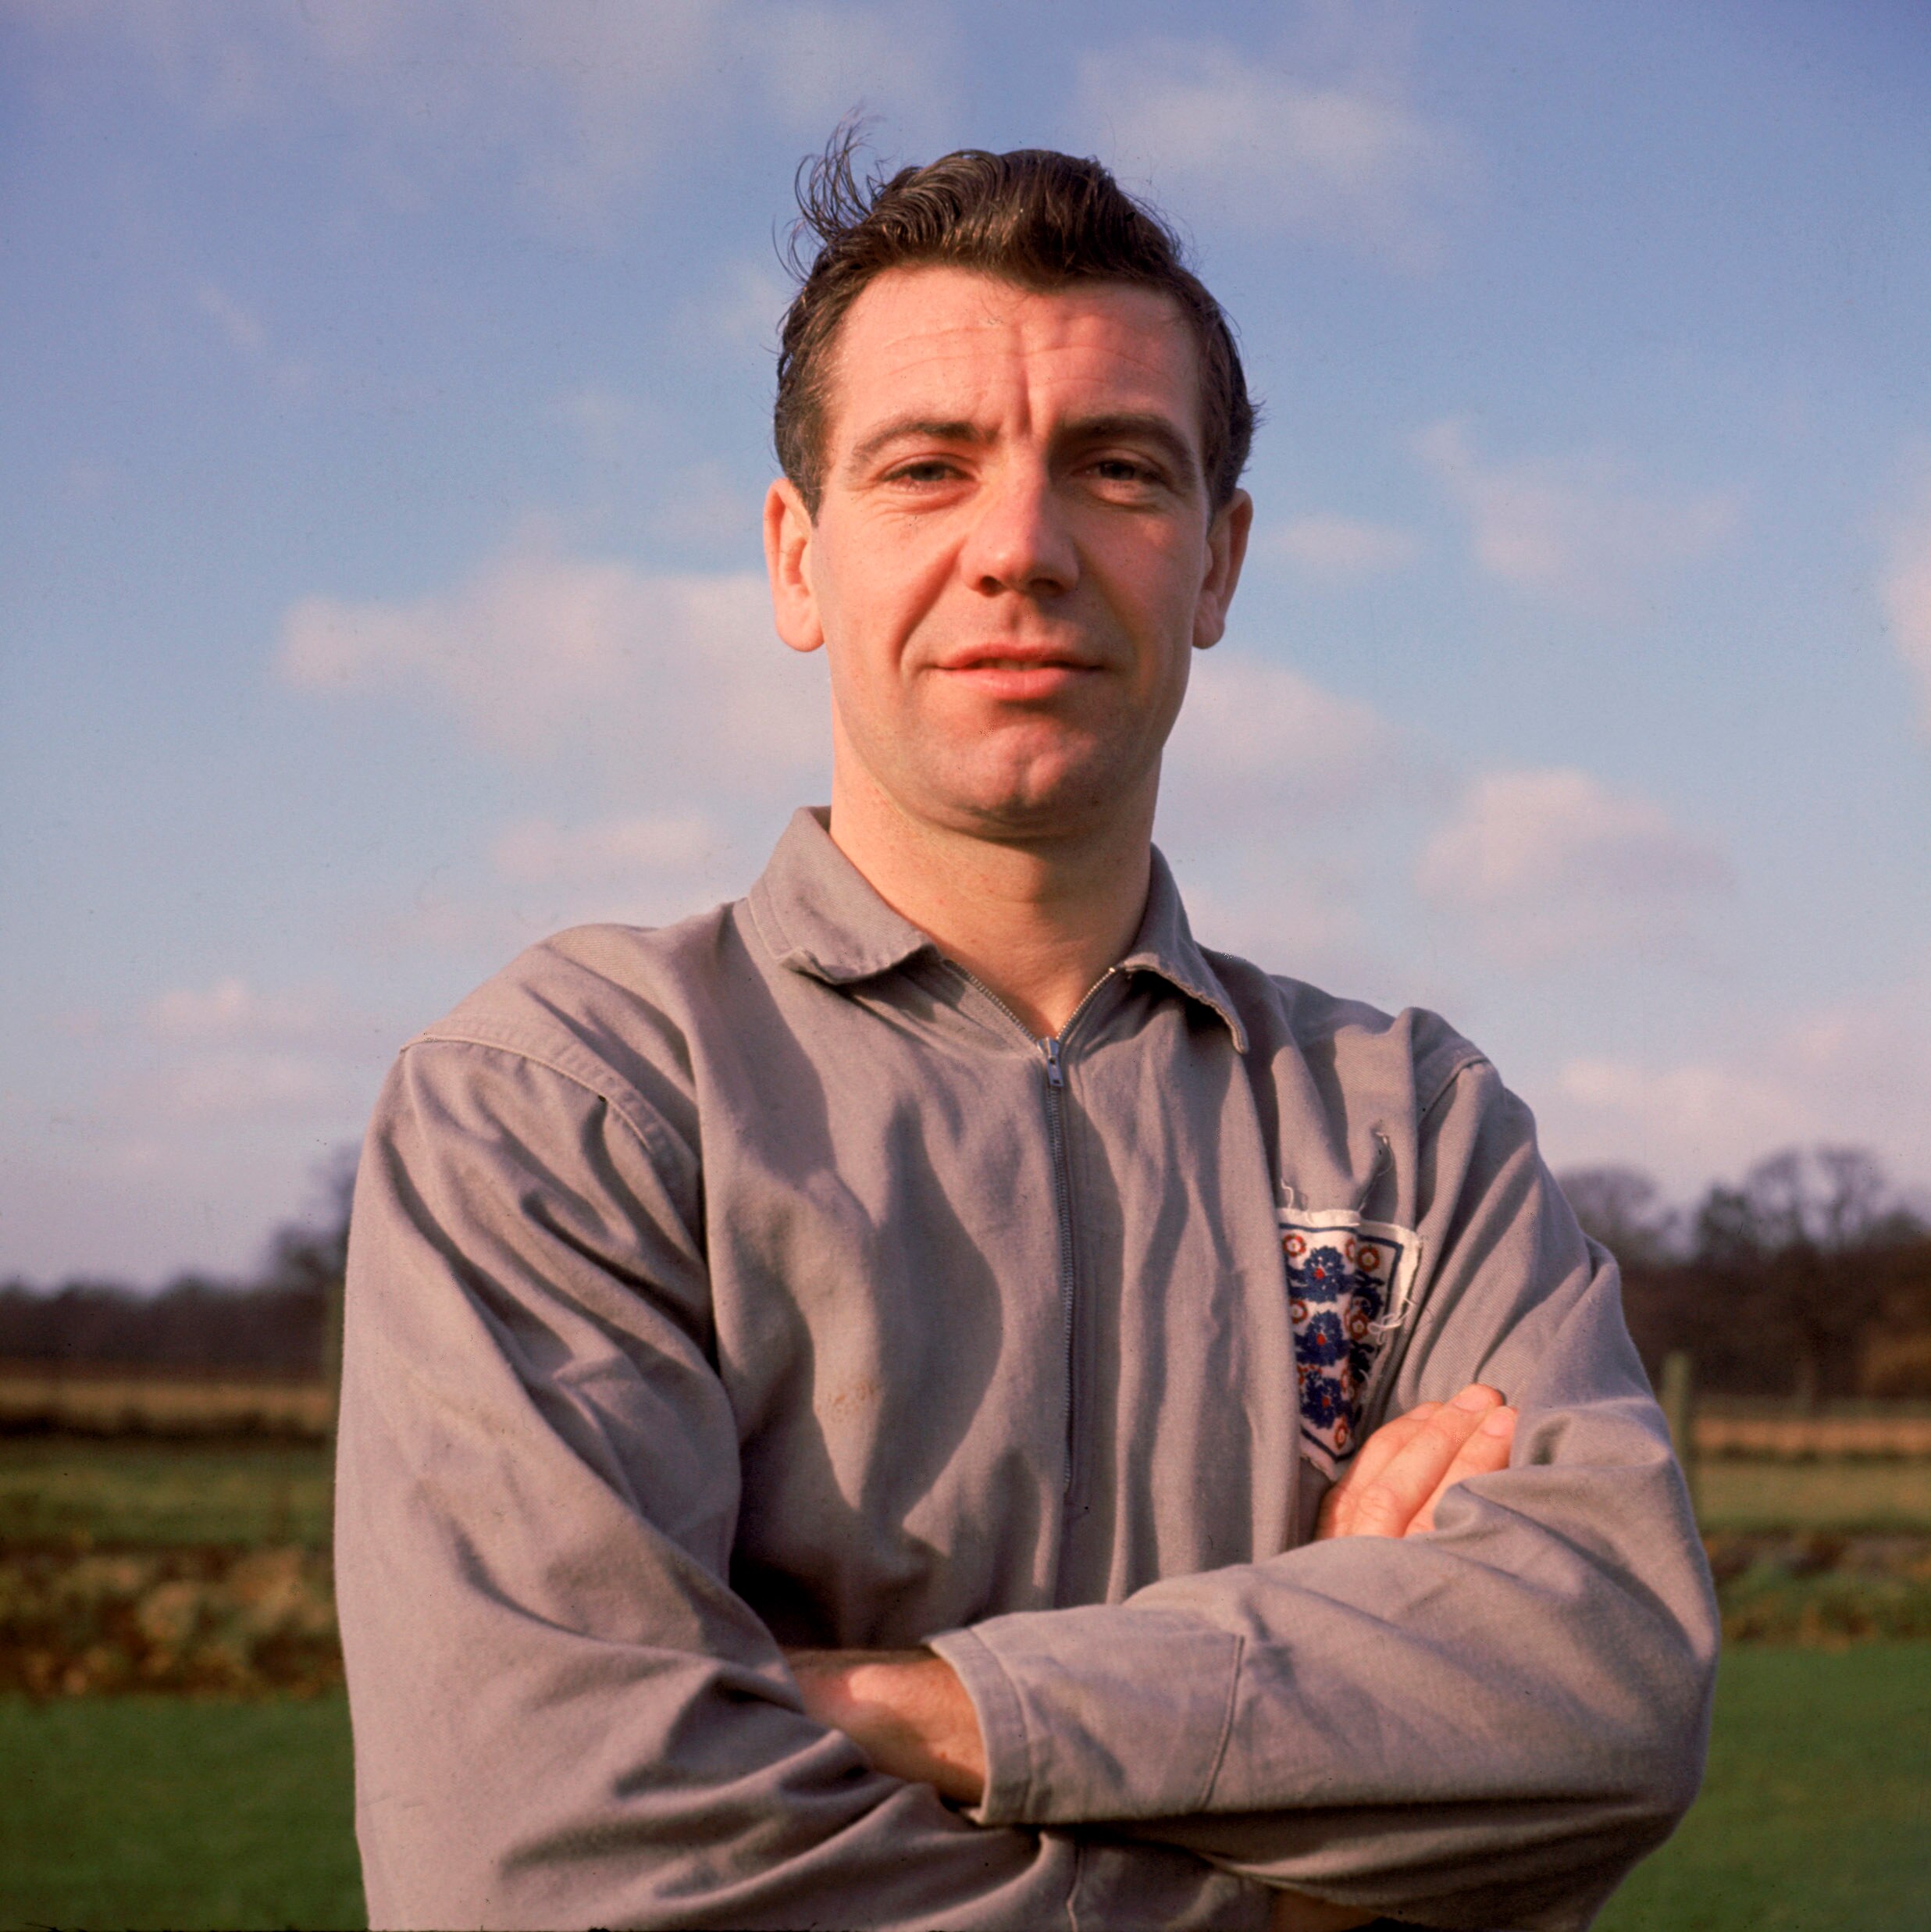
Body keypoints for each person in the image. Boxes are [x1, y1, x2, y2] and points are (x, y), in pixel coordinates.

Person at [335, 140, 1717, 1932]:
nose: (1022, 548)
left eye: (1117, 469)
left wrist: (909, 1704)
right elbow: (546, 1866)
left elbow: (1606, 1698)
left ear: (1214, 563)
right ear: (796, 557)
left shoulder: (1414, 1128)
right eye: (928, 468)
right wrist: (1305, 1847)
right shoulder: (566, 1099)